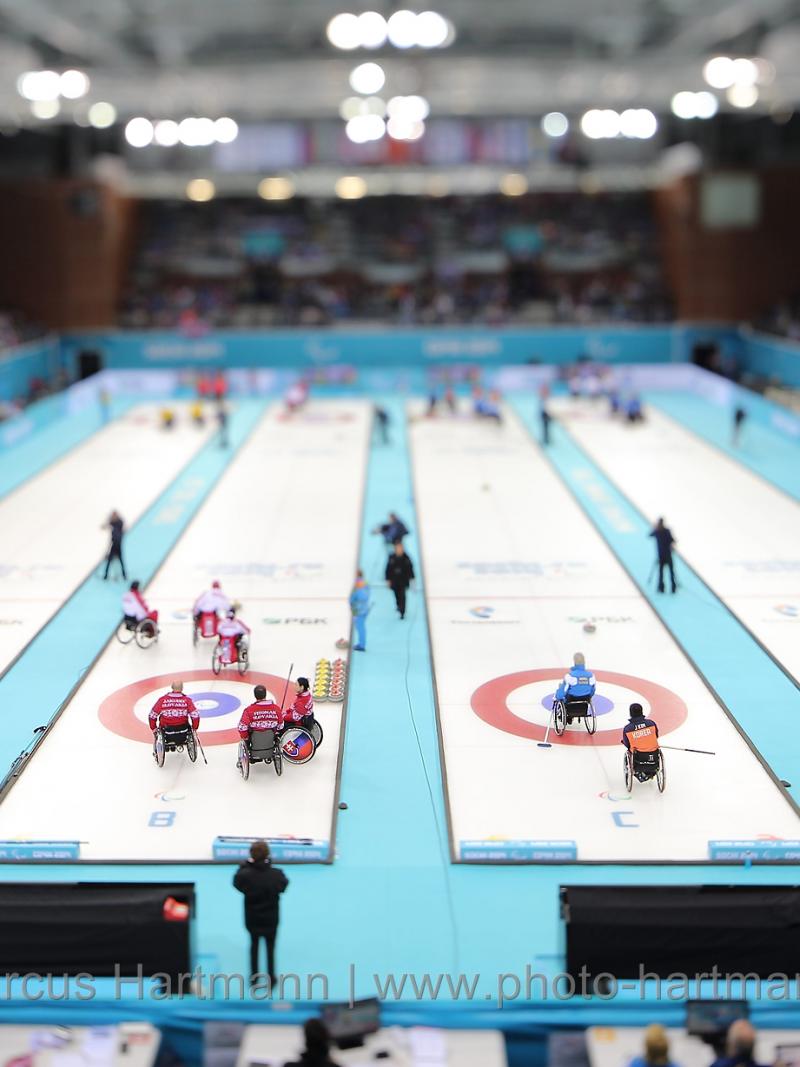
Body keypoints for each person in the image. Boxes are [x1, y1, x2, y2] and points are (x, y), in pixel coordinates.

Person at [233, 839, 289, 986]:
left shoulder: (244, 875)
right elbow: (283, 886)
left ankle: (254, 977)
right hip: (271, 918)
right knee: (271, 947)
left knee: (254, 945)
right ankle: (272, 978)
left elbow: (237, 883)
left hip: (252, 918)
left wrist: (244, 866)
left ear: (251, 854)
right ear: (268, 854)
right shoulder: (277, 874)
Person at [237, 685, 286, 765]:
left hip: (254, 741)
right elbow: (281, 726)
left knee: (247, 735)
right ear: (265, 694)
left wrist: (246, 738)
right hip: (270, 740)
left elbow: (242, 728)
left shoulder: (249, 711)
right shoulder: (276, 709)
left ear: (255, 696)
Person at [621, 703, 660, 781]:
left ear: (631, 713)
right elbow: (656, 736)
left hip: (638, 756)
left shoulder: (627, 729)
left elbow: (627, 744)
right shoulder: (651, 723)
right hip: (653, 754)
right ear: (642, 712)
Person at [554, 652, 596, 724]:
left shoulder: (570, 676)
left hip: (571, 699)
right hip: (585, 699)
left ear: (574, 662)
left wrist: (557, 697)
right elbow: (592, 690)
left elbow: (563, 691)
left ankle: (566, 716)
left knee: (563, 693)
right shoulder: (591, 676)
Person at [385, 540, 415, 620]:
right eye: (397, 548)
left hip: (403, 581)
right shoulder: (392, 557)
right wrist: (388, 579)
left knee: (403, 595)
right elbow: (388, 569)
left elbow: (410, 568)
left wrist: (412, 578)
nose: (399, 549)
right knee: (396, 595)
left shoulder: (406, 558)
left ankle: (402, 611)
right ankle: (398, 605)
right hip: (394, 580)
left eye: (400, 548)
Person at [650, 517, 677, 594]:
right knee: (667, 572)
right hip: (665, 555)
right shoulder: (664, 531)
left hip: (663, 555)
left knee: (665, 572)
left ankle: (665, 587)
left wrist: (655, 528)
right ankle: (668, 587)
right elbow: (673, 540)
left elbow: (650, 535)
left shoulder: (659, 531)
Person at [349, 569, 370, 651]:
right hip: (364, 608)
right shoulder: (365, 583)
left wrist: (352, 603)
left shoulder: (357, 584)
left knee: (360, 627)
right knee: (361, 627)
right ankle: (361, 643)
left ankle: (362, 645)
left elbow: (354, 597)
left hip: (358, 610)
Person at [102, 510, 126, 580]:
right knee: (111, 560)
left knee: (120, 560)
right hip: (114, 543)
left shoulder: (119, 522)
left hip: (117, 544)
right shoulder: (114, 522)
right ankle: (106, 575)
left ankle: (124, 574)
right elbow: (104, 526)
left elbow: (117, 529)